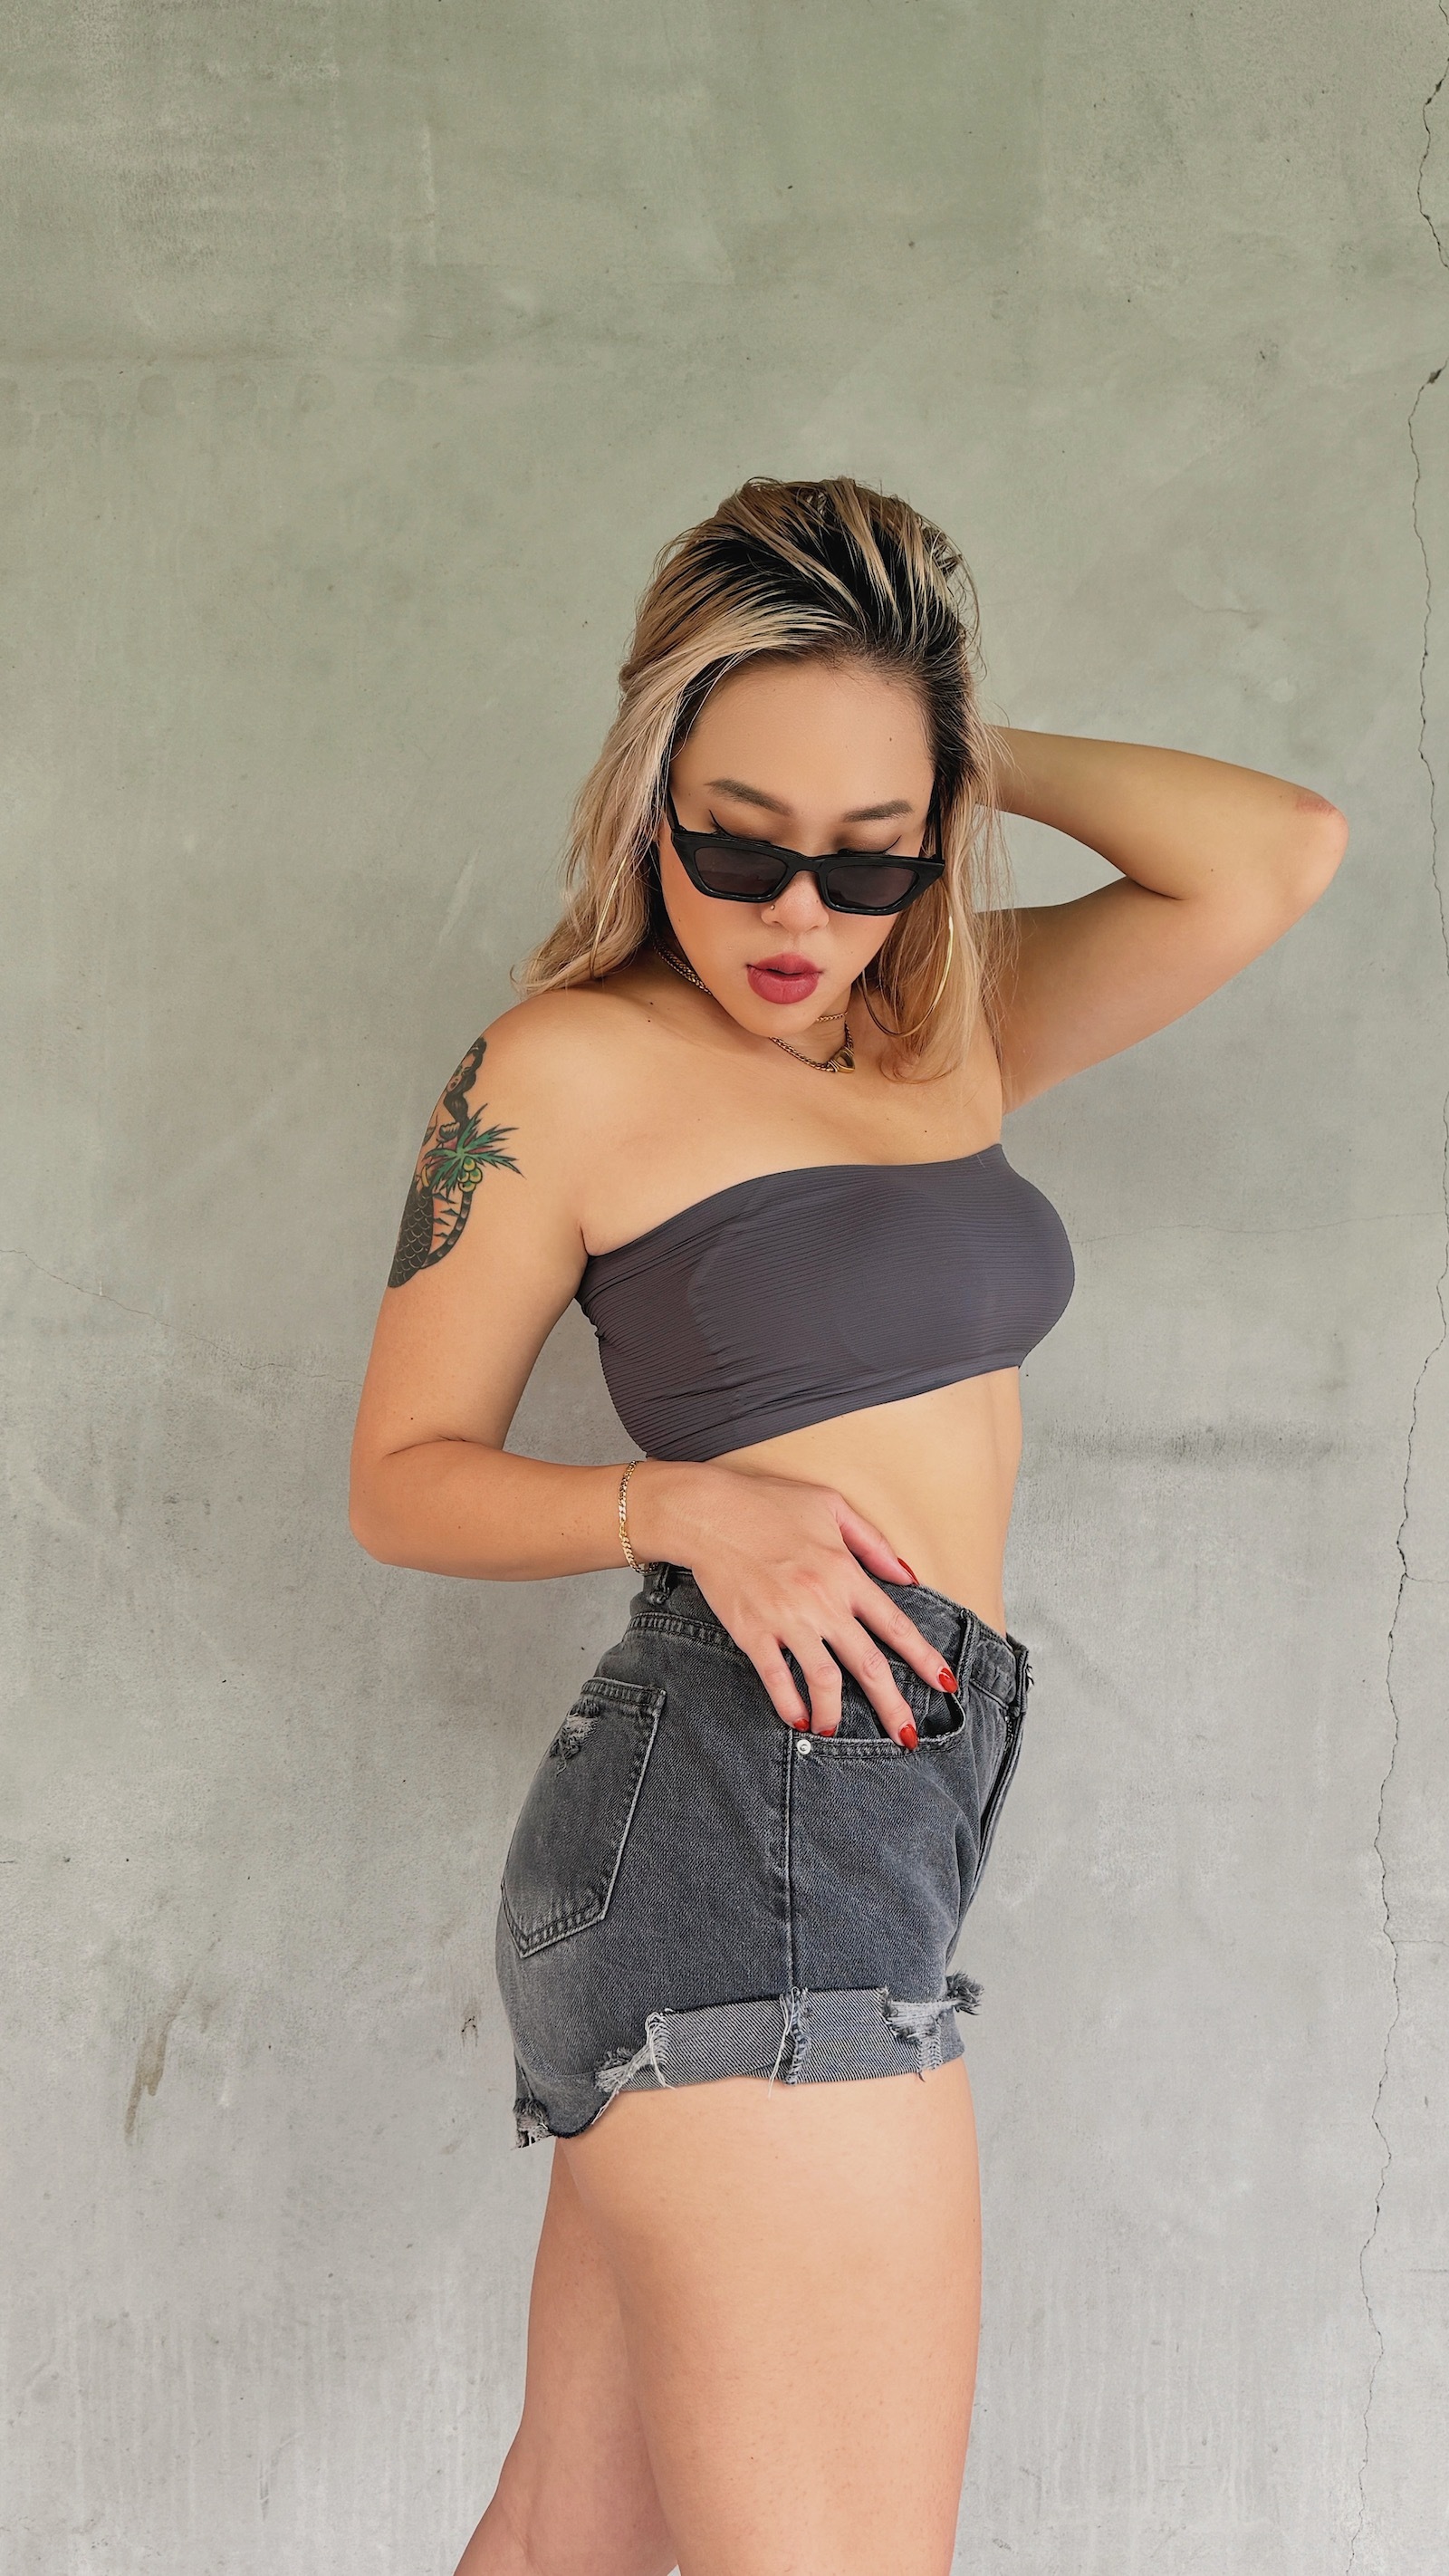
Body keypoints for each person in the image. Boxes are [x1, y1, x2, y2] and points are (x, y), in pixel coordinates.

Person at [349, 477, 1347, 2576]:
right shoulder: (560, 1070)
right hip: (745, 1817)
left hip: (870, 1805)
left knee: (565, 2548)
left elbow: (1272, 851)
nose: (797, 912)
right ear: (645, 796)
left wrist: (963, 748)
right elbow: (401, 1476)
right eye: (736, 841)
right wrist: (677, 1501)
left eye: (871, 852)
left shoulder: (938, 1026)